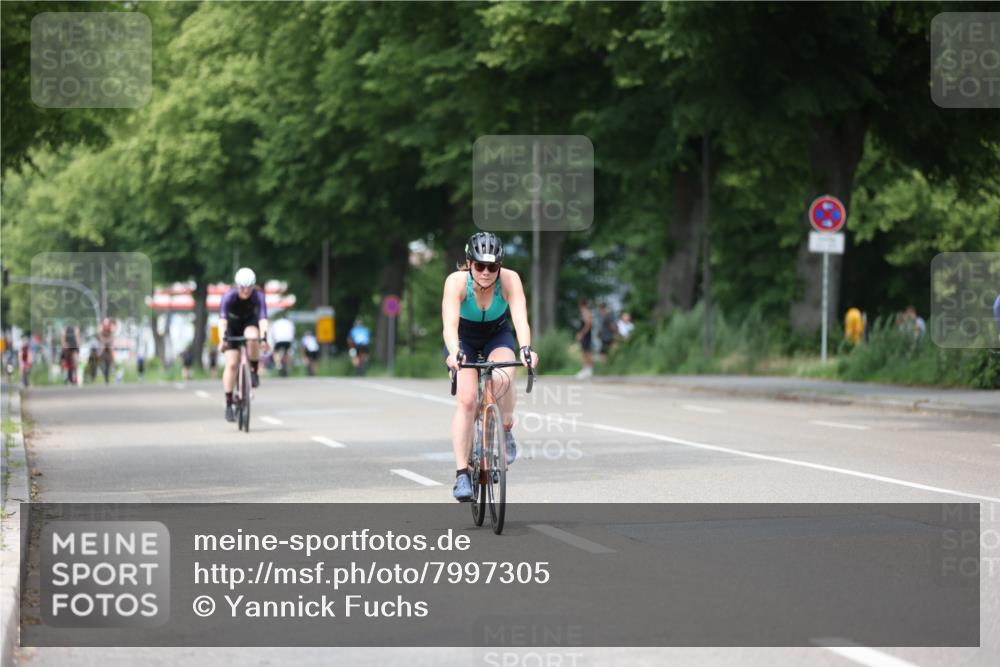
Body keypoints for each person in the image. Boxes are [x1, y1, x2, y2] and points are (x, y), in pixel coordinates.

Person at [443, 232, 537, 502]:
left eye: (492, 266)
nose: (486, 272)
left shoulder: (510, 280)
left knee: (504, 376)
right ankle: (462, 472)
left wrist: (526, 349)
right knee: (468, 400)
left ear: (500, 266)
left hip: (497, 334)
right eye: (480, 266)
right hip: (464, 339)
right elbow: (449, 325)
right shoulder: (456, 282)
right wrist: (454, 352)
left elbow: (520, 319)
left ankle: (505, 428)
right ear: (469, 263)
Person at [218, 267, 270, 422]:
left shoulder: (258, 296)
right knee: (232, 364)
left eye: (249, 288)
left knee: (253, 337)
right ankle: (228, 403)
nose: (246, 291)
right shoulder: (229, 296)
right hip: (232, 326)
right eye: (242, 288)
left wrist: (264, 339)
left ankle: (253, 369)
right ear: (237, 285)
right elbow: (222, 321)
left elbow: (263, 320)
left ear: (254, 286)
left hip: (249, 323)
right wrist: (222, 340)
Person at [575, 299, 593, 379]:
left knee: (586, 352)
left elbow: (588, 324)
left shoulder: (586, 312)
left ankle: (588, 369)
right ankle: (586, 369)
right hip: (585, 336)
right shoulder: (585, 313)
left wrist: (581, 334)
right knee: (585, 352)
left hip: (586, 336)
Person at [98, 318, 115, 384]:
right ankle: (98, 362)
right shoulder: (101, 328)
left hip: (109, 342)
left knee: (111, 350)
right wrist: (104, 342)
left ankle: (113, 364)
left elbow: (112, 337)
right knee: (101, 350)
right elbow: (100, 337)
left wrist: (108, 341)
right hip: (103, 343)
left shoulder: (111, 327)